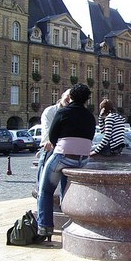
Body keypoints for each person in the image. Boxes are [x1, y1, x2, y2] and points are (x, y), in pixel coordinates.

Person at [37, 83, 96, 238]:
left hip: (63, 157)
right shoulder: (90, 116)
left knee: (45, 190)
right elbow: (90, 136)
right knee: (67, 190)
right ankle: (73, 225)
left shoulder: (63, 112)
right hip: (82, 160)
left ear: (71, 97)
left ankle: (44, 227)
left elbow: (52, 136)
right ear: (87, 99)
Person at [36, 89, 71, 184]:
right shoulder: (50, 111)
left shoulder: (72, 113)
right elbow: (47, 131)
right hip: (51, 148)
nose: (69, 98)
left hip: (65, 151)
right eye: (68, 95)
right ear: (62, 95)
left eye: (72, 97)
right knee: (43, 182)